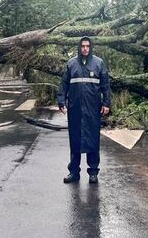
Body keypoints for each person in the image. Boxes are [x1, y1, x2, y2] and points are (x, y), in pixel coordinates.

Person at [57, 36, 111, 184]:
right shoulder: (71, 63)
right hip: (75, 109)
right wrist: (61, 101)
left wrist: (106, 103)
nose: (85, 49)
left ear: (91, 47)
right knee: (75, 140)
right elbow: (64, 84)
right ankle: (74, 172)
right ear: (79, 47)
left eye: (87, 46)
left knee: (93, 140)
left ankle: (93, 172)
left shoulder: (99, 63)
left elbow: (105, 86)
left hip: (93, 109)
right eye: (83, 46)